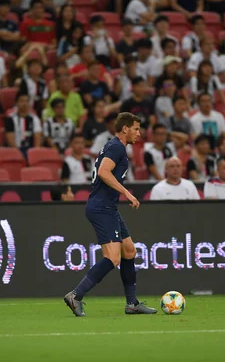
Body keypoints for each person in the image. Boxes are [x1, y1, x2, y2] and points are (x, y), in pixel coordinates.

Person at [64, 112, 156, 317]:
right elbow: (105, 172)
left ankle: (132, 304)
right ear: (125, 129)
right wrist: (127, 193)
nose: (139, 134)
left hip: (108, 207)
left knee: (129, 251)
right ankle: (75, 295)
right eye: (136, 129)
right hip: (101, 208)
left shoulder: (113, 146)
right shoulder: (116, 147)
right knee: (113, 258)